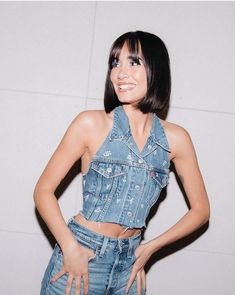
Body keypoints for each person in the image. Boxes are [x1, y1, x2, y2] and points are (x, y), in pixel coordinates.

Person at [34, 31, 210, 295]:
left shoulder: (177, 139)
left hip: (130, 265)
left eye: (133, 62)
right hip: (82, 256)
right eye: (115, 63)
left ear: (156, 69)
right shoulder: (90, 123)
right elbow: (42, 191)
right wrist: (70, 248)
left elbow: (201, 211)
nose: (120, 72)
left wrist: (150, 248)